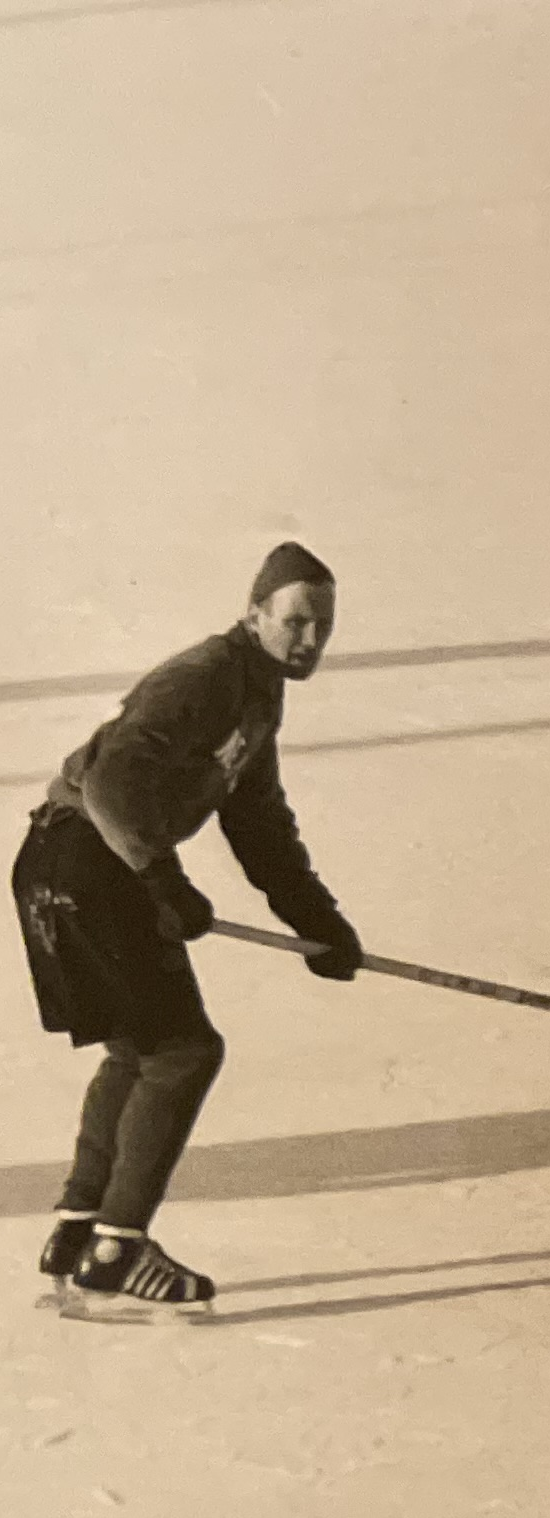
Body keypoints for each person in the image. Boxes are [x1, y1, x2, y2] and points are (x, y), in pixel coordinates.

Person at [14, 542, 362, 1314]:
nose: (309, 640)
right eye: (295, 621)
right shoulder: (206, 677)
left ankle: (79, 1228)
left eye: (323, 626)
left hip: (62, 863)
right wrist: (163, 880)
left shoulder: (255, 696)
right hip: (91, 858)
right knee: (183, 1053)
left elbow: (261, 825)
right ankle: (119, 1245)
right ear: (254, 615)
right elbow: (110, 781)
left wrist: (318, 921)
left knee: (141, 1050)